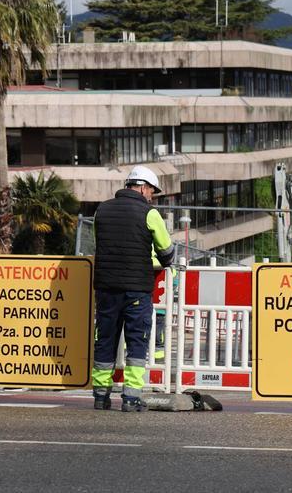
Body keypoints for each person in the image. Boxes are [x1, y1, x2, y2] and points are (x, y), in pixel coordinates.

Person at [92, 166, 174, 412]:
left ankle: (100, 395)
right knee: (136, 341)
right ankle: (131, 397)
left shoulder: (102, 210)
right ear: (143, 187)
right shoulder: (149, 214)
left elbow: (102, 244)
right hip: (137, 289)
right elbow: (167, 251)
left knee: (105, 340)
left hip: (106, 288)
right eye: (152, 192)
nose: (152, 196)